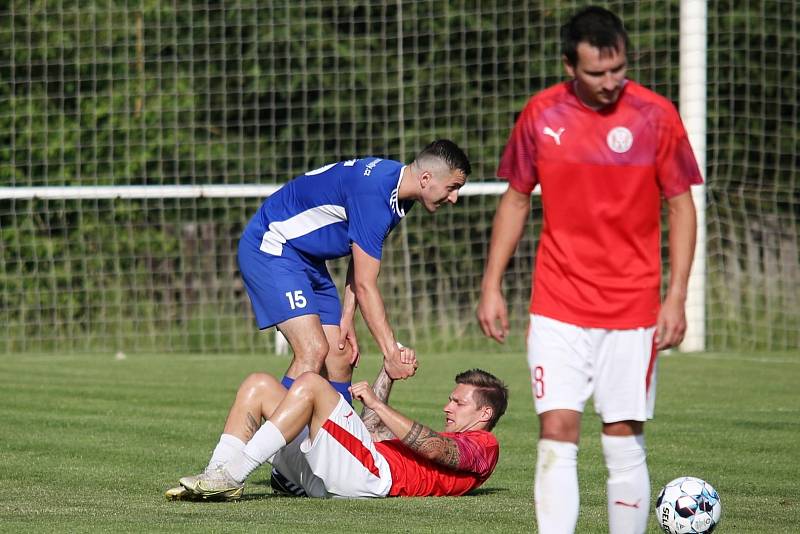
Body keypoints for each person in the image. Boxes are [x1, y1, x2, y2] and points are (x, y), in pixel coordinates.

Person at [476, 6, 702, 534]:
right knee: (557, 430)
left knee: (622, 435)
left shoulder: (656, 115)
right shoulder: (540, 115)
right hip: (558, 303)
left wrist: (676, 297)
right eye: (597, 73)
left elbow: (681, 205)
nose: (610, 82)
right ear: (568, 67)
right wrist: (491, 286)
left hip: (632, 307)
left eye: (618, 69)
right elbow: (514, 200)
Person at [237, 139, 472, 403]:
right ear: (426, 178)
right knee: (313, 350)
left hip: (306, 258)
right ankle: (268, 438)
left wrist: (347, 318)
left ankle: (335, 442)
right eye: (452, 188)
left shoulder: (397, 188)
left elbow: (360, 260)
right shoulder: (375, 195)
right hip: (272, 247)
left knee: (341, 355)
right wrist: (391, 353)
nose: (454, 198)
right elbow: (365, 285)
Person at [165, 366, 507, 500]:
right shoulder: (457, 437)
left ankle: (233, 476)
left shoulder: (485, 445)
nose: (448, 407)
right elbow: (368, 433)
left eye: (458, 402)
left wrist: (378, 402)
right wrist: (386, 374)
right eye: (450, 399)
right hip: (352, 473)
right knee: (258, 385)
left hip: (375, 480)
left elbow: (436, 450)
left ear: (485, 413)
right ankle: (217, 475)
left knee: (313, 384)